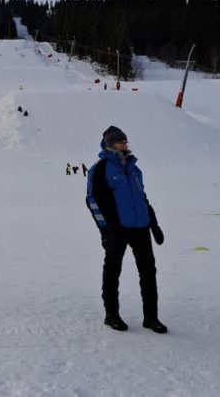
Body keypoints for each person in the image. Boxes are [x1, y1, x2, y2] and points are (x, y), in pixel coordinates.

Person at [86, 126, 167, 334]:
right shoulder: (101, 168)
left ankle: (151, 317)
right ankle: (111, 314)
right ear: (110, 144)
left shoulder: (134, 168)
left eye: (125, 141)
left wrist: (154, 224)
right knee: (113, 271)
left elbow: (142, 198)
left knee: (148, 271)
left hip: (140, 227)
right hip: (118, 229)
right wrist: (106, 231)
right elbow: (94, 201)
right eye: (121, 141)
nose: (125, 144)